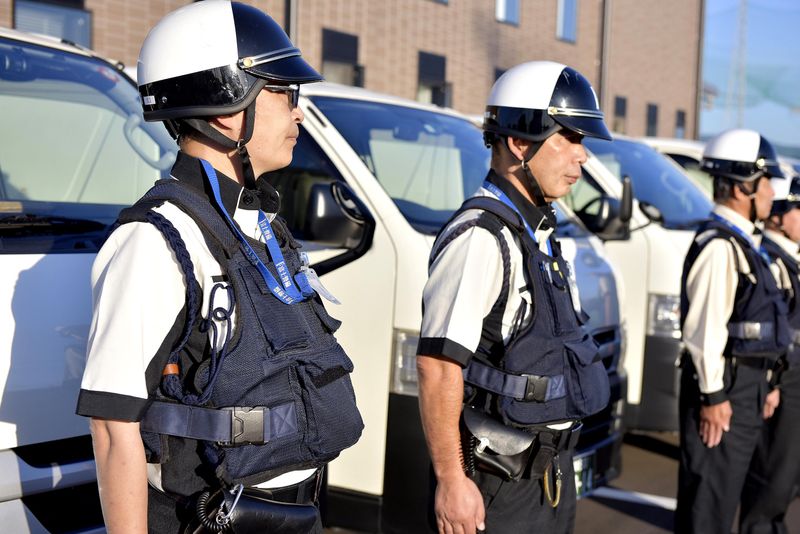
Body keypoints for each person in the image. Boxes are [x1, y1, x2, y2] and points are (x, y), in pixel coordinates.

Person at [75, 2, 363, 532]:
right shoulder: (154, 240)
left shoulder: (259, 223)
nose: (298, 112)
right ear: (228, 108)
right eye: (284, 92)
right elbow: (113, 428)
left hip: (298, 509)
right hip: (209, 515)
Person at [416, 61, 611, 534]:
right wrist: (451, 481)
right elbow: (438, 366)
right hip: (497, 486)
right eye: (569, 138)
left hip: (547, 476)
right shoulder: (480, 236)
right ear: (520, 142)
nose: (582, 156)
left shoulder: (537, 230)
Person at [675, 128, 790, 534]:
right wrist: (713, 397)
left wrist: (766, 383)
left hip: (745, 388)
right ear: (743, 187)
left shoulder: (744, 243)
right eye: (766, 182)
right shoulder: (720, 246)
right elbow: (704, 331)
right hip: (725, 389)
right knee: (709, 501)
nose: (772, 193)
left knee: (724, 494)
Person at [739, 173, 800, 534]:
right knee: (773, 476)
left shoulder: (789, 258)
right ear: (777, 213)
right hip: (784, 378)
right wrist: (772, 382)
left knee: (788, 476)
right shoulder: (771, 261)